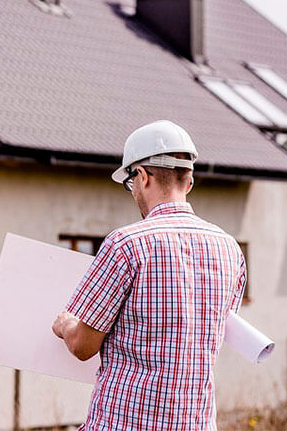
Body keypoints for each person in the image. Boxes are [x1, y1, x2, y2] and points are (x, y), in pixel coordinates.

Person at [52, 120, 246, 431]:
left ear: (141, 177)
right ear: (189, 181)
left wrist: (65, 326)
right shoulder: (230, 250)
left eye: (130, 183)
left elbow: (83, 347)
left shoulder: (127, 244)